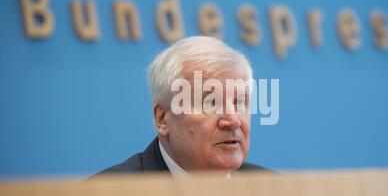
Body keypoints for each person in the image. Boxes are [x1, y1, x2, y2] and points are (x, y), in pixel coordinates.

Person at [92, 36, 269, 178]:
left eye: (239, 102)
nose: (233, 120)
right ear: (162, 119)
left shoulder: (273, 192)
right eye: (209, 103)